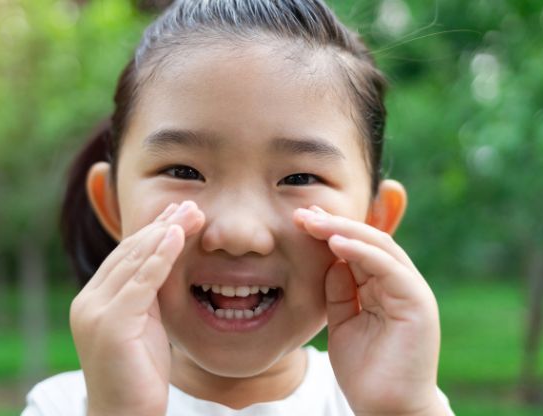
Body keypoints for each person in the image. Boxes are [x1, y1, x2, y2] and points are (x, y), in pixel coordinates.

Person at [24, 0, 454, 415]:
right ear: (113, 205)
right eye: (184, 170)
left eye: (299, 178)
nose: (237, 233)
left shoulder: (400, 399)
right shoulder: (64, 406)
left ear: (374, 221)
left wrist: (404, 411)